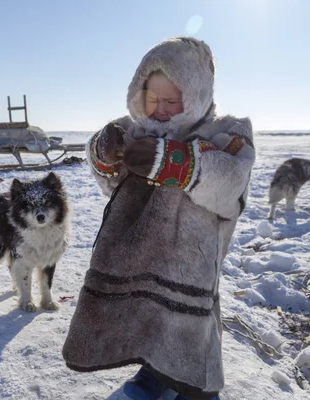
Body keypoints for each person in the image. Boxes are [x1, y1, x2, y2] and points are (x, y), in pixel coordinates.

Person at [62, 37, 255, 400]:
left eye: (172, 101)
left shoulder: (224, 134)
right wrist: (105, 152)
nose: (162, 110)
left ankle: (198, 387)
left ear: (196, 93)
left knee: (190, 328)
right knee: (147, 318)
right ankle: (153, 374)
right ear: (139, 93)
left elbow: (231, 185)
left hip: (190, 261)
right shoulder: (135, 129)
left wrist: (174, 163)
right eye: (153, 100)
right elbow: (109, 178)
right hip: (139, 252)